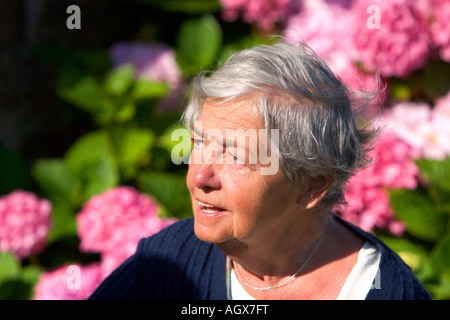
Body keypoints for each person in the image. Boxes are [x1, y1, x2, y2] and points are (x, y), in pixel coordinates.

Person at [89, 40, 431, 300]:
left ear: (312, 185)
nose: (198, 178)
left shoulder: (384, 291)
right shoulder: (168, 264)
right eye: (199, 143)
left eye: (236, 156)